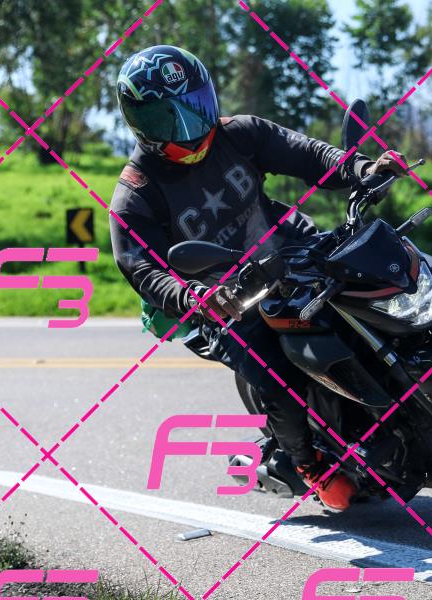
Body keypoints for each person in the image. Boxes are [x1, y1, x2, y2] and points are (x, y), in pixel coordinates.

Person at [108, 45, 405, 511]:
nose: (190, 128)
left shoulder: (239, 133)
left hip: (290, 249)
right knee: (275, 373)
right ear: (139, 123)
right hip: (226, 300)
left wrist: (360, 168)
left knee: (392, 267)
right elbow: (141, 267)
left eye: (195, 107)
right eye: (169, 119)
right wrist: (193, 296)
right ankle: (307, 462)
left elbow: (309, 155)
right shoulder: (136, 194)